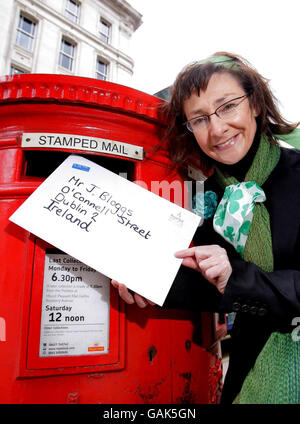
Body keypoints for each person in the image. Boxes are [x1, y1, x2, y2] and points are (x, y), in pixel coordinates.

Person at [111, 52, 300, 404]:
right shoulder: (209, 197)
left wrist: (236, 276)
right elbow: (207, 281)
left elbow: (234, 279)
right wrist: (146, 280)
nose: (216, 129)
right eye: (198, 119)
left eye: (227, 107)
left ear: (255, 104)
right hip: (248, 373)